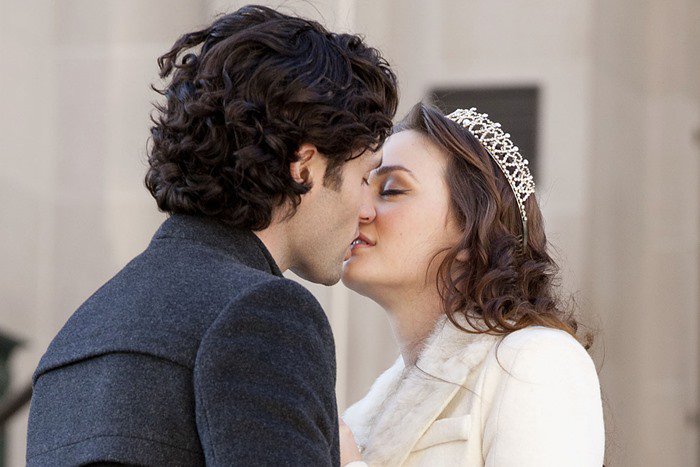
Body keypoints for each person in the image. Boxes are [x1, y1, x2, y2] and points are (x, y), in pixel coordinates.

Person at [26, 5, 398, 466]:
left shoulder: (74, 338)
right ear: (304, 166)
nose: (367, 211)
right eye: (365, 178)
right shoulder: (264, 313)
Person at [340, 103, 604, 466]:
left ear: (473, 229)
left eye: (391, 190)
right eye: (361, 187)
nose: (360, 211)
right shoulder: (359, 416)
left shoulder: (534, 360)